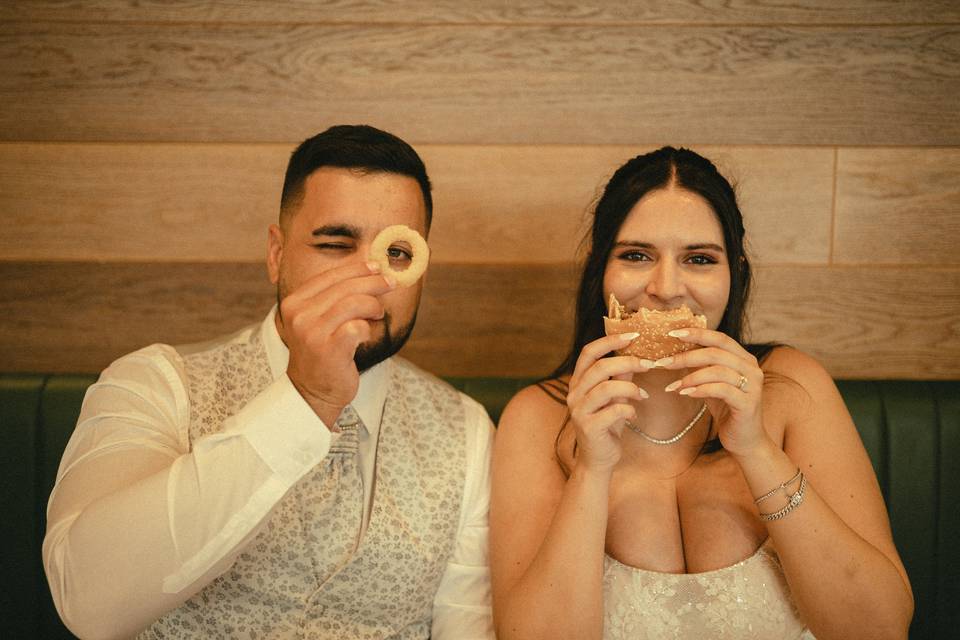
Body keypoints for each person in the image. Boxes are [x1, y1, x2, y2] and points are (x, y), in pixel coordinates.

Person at [43, 125, 495, 639]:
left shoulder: (465, 430)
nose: (367, 280)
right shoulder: (153, 385)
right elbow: (88, 602)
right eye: (334, 244)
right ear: (277, 255)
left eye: (396, 254)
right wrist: (306, 399)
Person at [489, 147, 913, 640]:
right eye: (636, 255)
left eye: (699, 259)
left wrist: (756, 450)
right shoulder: (540, 417)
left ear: (734, 274)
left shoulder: (793, 387)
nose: (667, 288)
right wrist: (592, 468)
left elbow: (880, 628)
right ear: (599, 271)